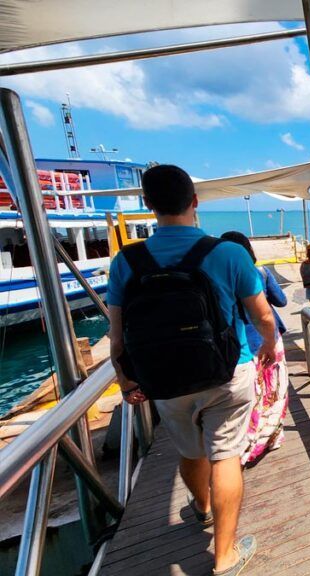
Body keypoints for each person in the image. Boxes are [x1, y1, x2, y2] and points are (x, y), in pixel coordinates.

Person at [107, 164, 275, 576]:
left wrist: (126, 380)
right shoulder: (228, 253)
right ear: (195, 202)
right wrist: (270, 346)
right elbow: (263, 316)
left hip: (163, 379)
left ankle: (200, 507)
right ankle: (224, 557)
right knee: (226, 455)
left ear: (148, 205)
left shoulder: (126, 261)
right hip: (226, 372)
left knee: (190, 450)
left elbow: (116, 338)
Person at [220, 232, 289, 465]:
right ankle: (272, 437)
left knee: (252, 393)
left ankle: (248, 440)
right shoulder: (259, 273)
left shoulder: (220, 278)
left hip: (240, 346)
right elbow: (281, 302)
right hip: (266, 339)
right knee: (275, 390)